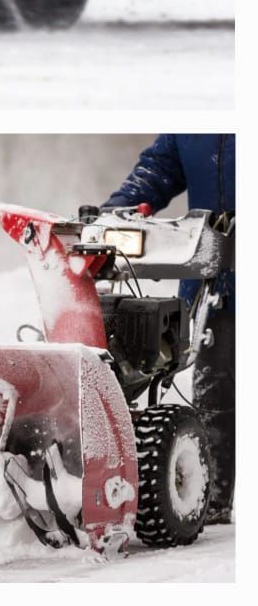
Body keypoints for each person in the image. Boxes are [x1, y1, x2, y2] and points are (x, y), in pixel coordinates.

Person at [103, 134, 235, 525]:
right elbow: (157, 170)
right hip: (219, 278)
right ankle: (212, 498)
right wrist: (118, 211)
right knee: (216, 391)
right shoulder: (193, 127)